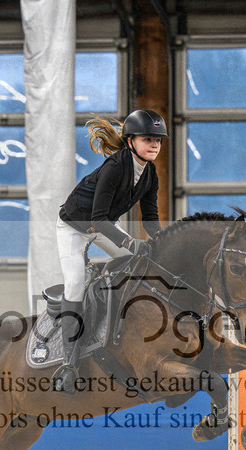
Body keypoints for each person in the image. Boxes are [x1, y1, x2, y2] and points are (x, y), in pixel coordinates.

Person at [53, 109, 167, 394]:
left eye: (158, 141)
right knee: (76, 284)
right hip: (75, 227)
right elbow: (97, 219)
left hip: (103, 226)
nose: (154, 145)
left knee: (139, 264)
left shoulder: (150, 172)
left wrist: (164, 241)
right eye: (148, 139)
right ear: (130, 141)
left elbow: (150, 217)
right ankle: (69, 364)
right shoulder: (115, 167)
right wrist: (129, 243)